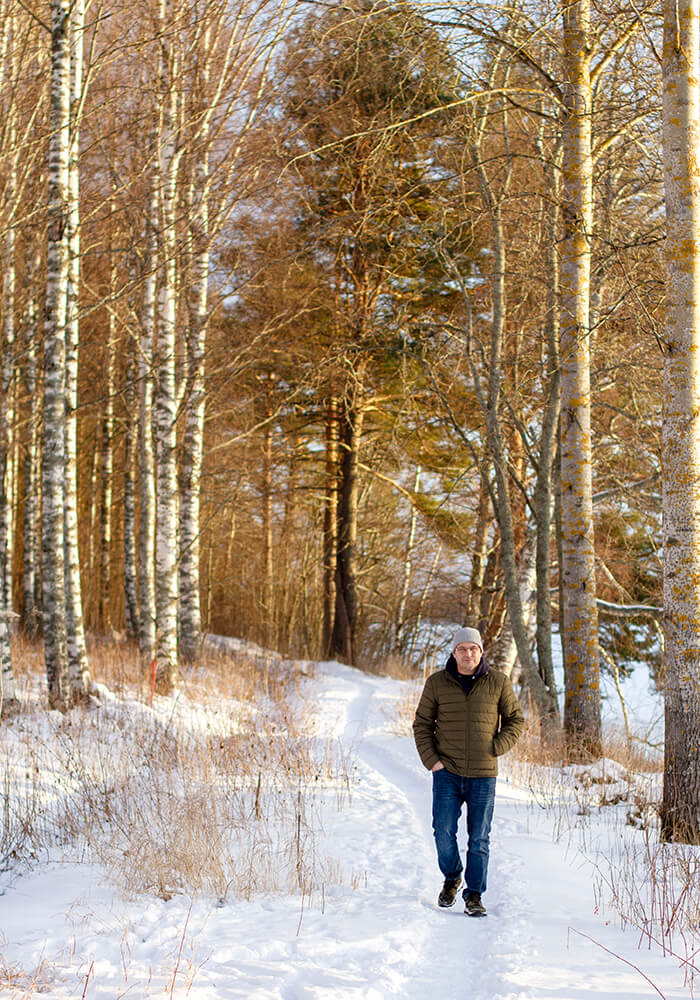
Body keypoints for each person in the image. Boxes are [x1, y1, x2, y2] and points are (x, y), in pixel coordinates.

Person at [412, 627, 524, 916]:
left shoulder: (498, 682)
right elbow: (422, 724)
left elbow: (515, 720)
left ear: (481, 651)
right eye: (462, 648)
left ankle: (474, 895)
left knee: (479, 838)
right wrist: (432, 761)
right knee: (442, 831)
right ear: (454, 653)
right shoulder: (437, 682)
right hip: (447, 772)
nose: (468, 653)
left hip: (483, 775)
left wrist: (497, 746)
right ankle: (452, 878)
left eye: (473, 648)